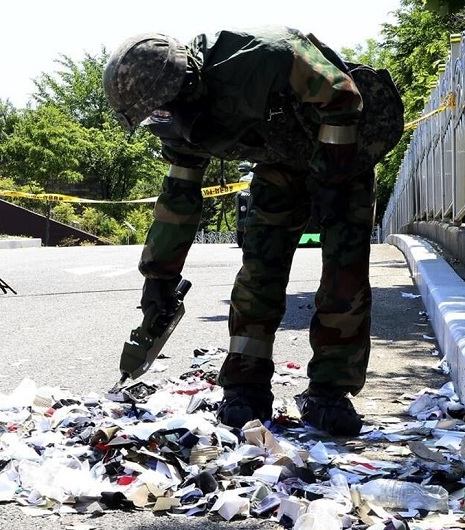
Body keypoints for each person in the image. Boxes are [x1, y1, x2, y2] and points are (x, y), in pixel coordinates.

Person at [103, 27, 404, 436]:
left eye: (163, 109)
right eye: (155, 115)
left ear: (187, 85)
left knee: (344, 270)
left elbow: (343, 95)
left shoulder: (265, 57)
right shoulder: (176, 120)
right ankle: (245, 386)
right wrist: (159, 279)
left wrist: (334, 179)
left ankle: (330, 392)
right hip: (279, 162)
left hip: (342, 147)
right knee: (259, 267)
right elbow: (178, 200)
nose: (163, 121)